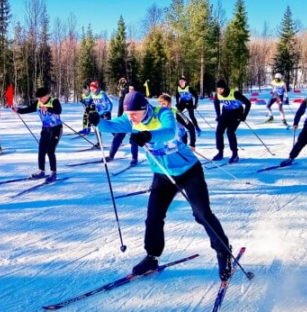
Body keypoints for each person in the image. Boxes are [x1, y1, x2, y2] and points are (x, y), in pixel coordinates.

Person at [88, 91, 233, 280]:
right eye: (128, 114)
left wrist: (147, 136)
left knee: (202, 214)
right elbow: (110, 126)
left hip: (189, 171)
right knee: (153, 218)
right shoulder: (129, 119)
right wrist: (97, 120)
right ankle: (152, 257)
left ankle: (223, 251)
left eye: (134, 114)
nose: (131, 118)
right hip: (162, 174)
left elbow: (169, 131)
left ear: (144, 109)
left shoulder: (163, 113)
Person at [13, 87, 62, 182]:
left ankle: (53, 173)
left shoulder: (54, 101)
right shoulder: (38, 103)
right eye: (39, 98)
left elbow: (58, 110)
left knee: (50, 150)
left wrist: (48, 108)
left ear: (47, 95)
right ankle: (41, 171)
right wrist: (18, 110)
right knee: (41, 150)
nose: (40, 100)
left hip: (56, 129)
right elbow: (28, 109)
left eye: (42, 98)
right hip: (45, 130)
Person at [213, 80, 251, 163]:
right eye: (218, 89)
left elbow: (248, 103)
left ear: (225, 88)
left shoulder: (234, 93)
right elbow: (216, 103)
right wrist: (218, 115)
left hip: (237, 113)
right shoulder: (218, 95)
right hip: (226, 112)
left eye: (221, 89)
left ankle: (235, 154)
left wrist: (244, 115)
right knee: (219, 131)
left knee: (230, 131)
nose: (219, 91)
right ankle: (220, 152)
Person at [107, 85, 140, 164]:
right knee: (117, 138)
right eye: (129, 89)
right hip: (125, 121)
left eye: (132, 89)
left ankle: (134, 158)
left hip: (135, 123)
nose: (130, 90)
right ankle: (111, 156)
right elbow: (120, 111)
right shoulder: (125, 98)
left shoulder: (139, 98)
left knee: (134, 140)